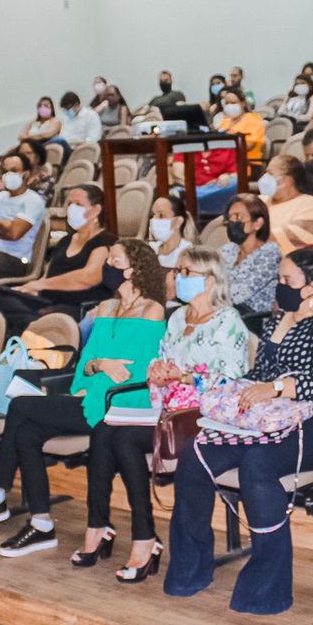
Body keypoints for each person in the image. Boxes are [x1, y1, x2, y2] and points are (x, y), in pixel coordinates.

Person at [166, 250, 313, 615]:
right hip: (269, 421)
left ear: (312, 288)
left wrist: (275, 388)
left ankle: (266, 589)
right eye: (279, 280)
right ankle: (189, 571)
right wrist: (278, 337)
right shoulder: (275, 322)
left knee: (258, 466)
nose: (280, 287)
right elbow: (259, 375)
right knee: (196, 453)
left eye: (288, 281)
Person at [0, 242, 168, 557]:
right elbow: (85, 364)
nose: (107, 264)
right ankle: (40, 524)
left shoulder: (152, 310)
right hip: (89, 395)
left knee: (21, 405)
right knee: (26, 432)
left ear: (132, 269)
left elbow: (135, 371)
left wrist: (101, 367)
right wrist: (98, 366)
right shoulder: (105, 308)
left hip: (119, 405)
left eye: (113, 259)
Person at [47, 247, 248, 579]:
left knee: (120, 437)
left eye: (186, 273)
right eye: (178, 271)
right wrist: (158, 372)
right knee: (106, 429)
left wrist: (181, 376)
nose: (177, 278)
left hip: (206, 414)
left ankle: (142, 536)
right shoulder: (179, 317)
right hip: (167, 408)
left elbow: (231, 378)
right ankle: (133, 533)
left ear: (209, 281)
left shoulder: (228, 321)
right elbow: (159, 361)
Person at [11, 184, 114, 317]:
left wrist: (41, 285)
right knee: (6, 301)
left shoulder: (105, 241)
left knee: (31, 317)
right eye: (70, 203)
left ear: (95, 210)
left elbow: (88, 277)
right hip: (48, 299)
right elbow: (48, 275)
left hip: (80, 307)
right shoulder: (65, 241)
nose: (72, 208)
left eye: (78, 204)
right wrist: (31, 289)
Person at [0, 151, 47, 285]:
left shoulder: (32, 200)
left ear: (26, 173)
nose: (8, 175)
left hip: (16, 260)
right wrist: (4, 224)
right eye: (5, 171)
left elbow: (14, 234)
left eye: (14, 170)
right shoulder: (1, 197)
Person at [219, 196, 282, 314]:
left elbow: (239, 294)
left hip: (252, 318)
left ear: (257, 223)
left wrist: (209, 290)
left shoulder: (270, 254)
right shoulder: (228, 250)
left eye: (237, 216)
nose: (232, 222)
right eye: (229, 217)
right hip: (224, 311)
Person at [258, 155, 313, 254]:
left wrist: (255, 234)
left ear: (289, 179)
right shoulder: (261, 200)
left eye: (270, 174)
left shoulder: (308, 202)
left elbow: (296, 233)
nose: (265, 178)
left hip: (288, 262)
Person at [216, 86, 266, 164]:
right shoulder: (225, 121)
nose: (229, 106)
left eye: (233, 103)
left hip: (248, 163)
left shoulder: (253, 119)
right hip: (226, 162)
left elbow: (249, 146)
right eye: (227, 103)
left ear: (243, 103)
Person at [148, 194, 192, 270]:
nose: (154, 220)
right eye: (152, 215)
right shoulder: (150, 248)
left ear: (178, 221)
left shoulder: (188, 252)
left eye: (161, 215)